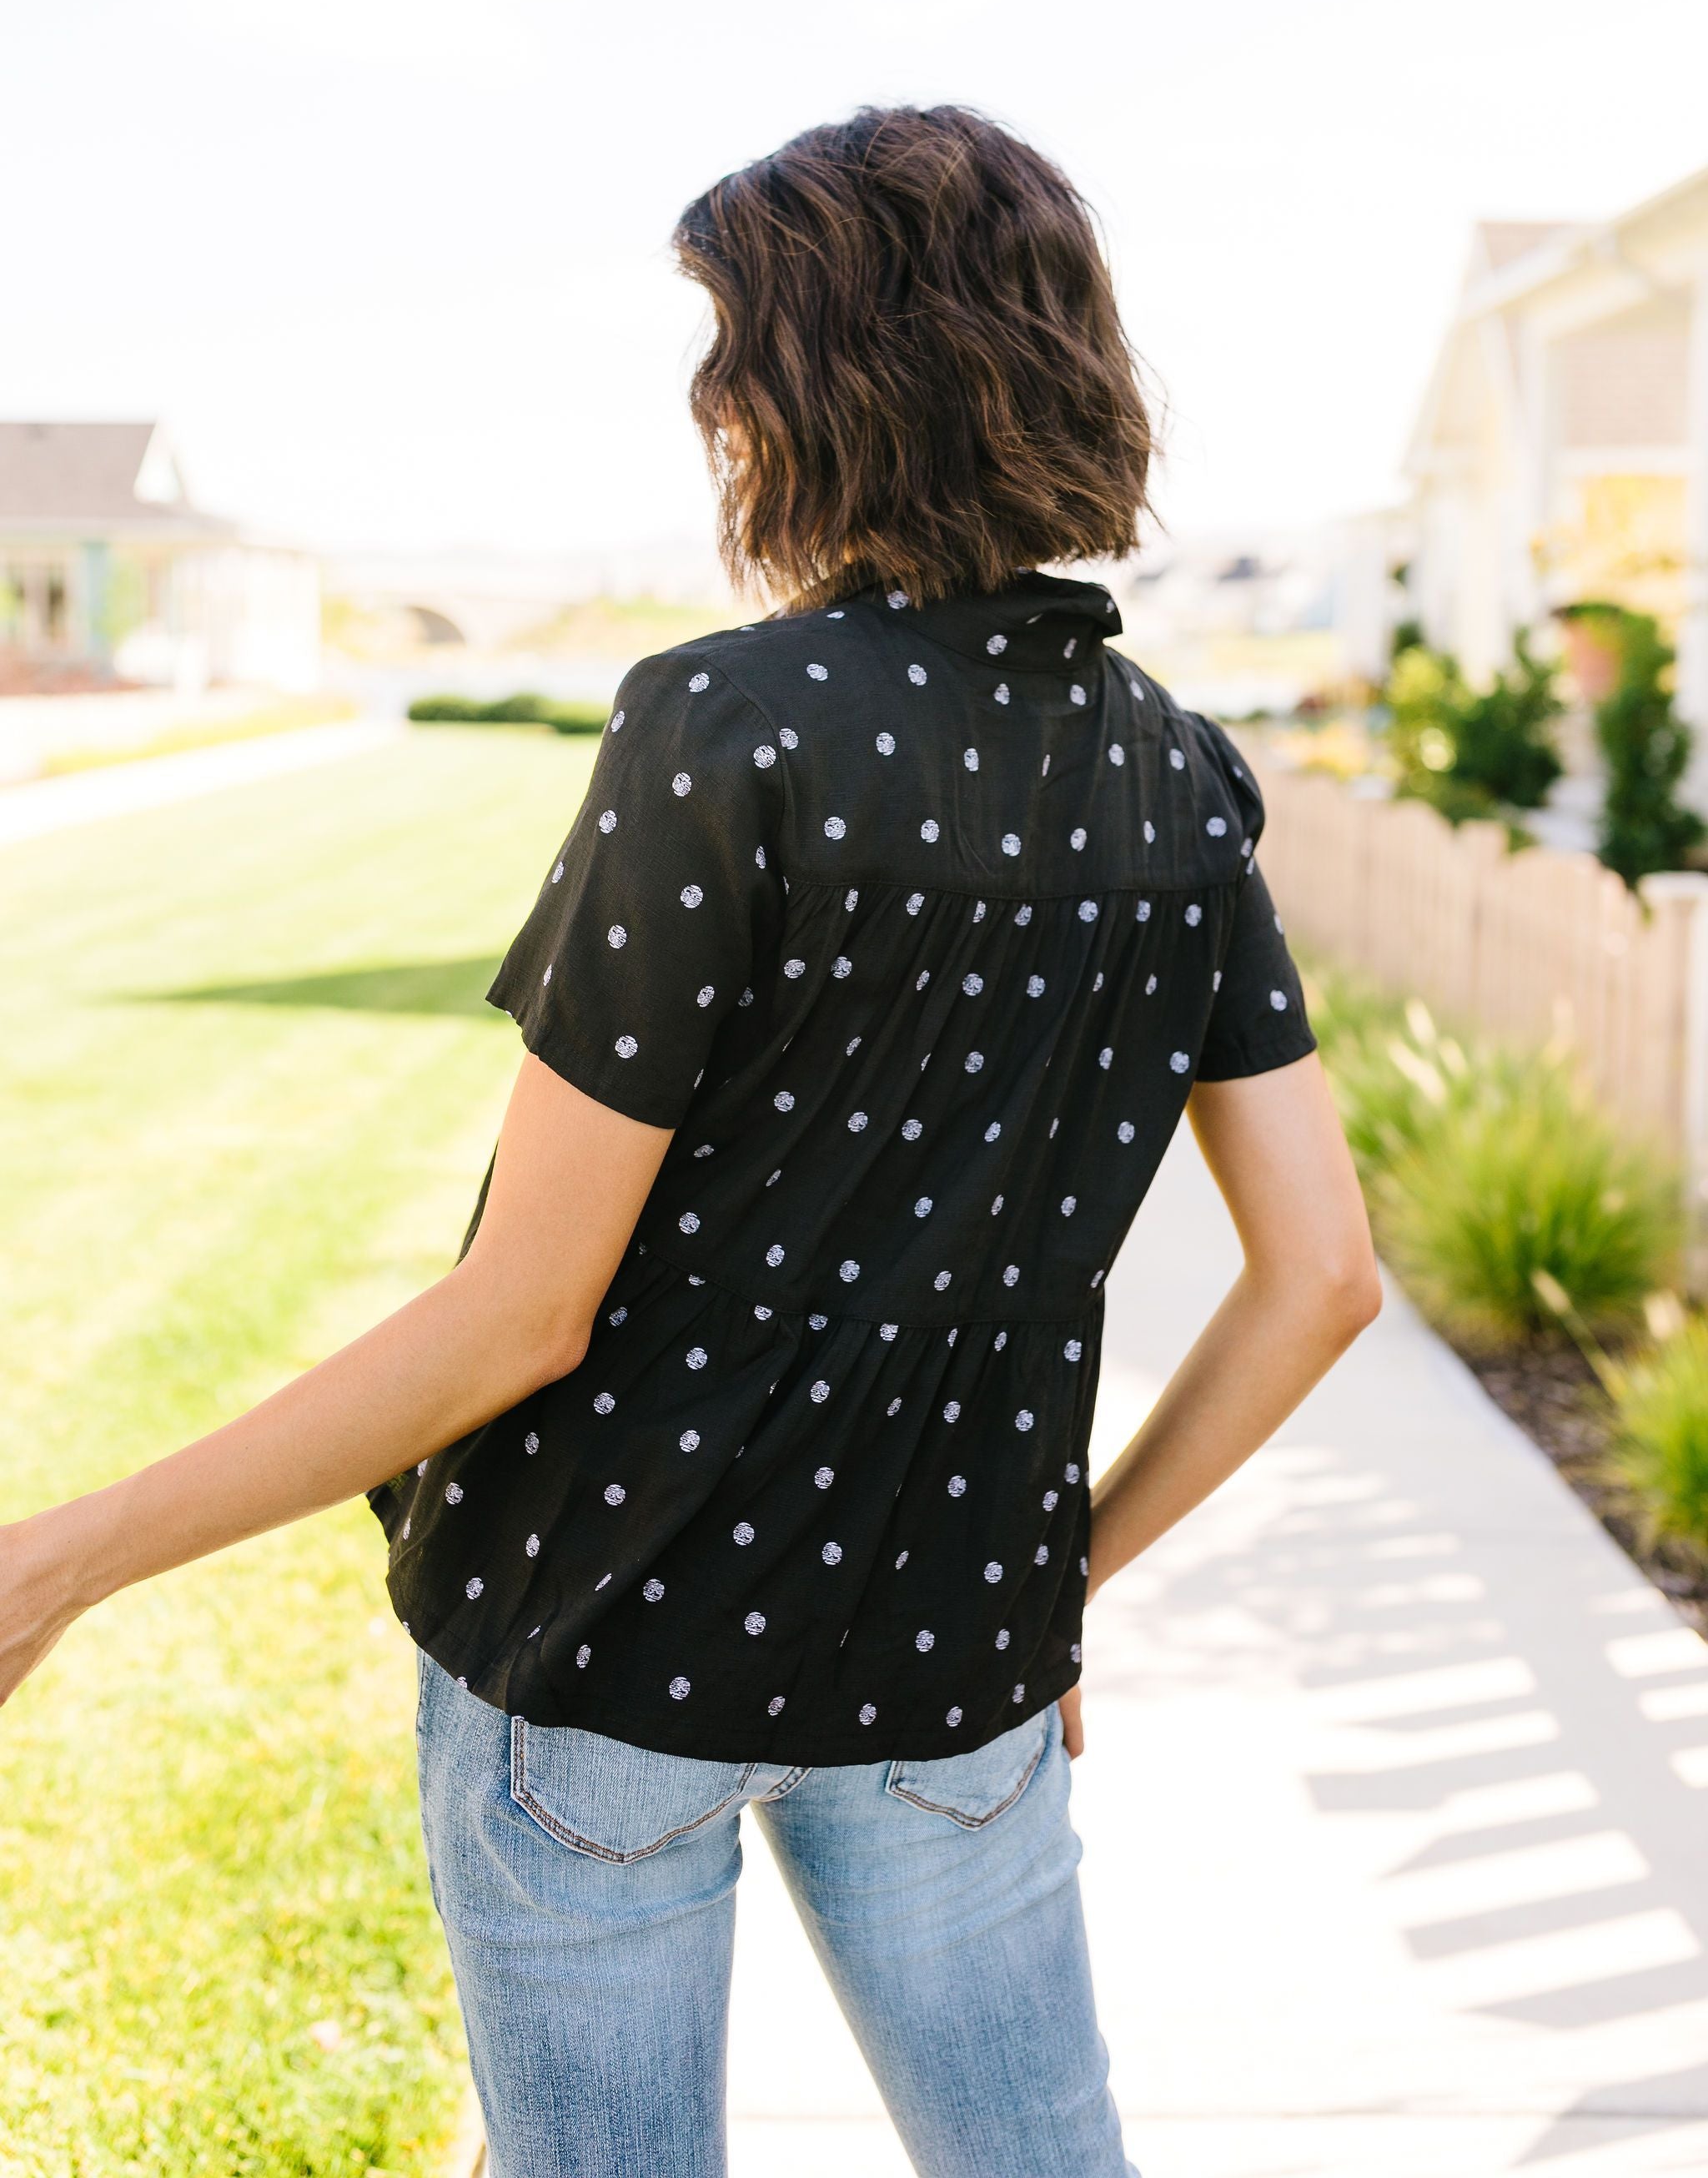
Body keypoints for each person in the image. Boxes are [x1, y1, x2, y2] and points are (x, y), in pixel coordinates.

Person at [0, 105, 1380, 2178]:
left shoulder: (726, 732)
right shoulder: (1177, 781)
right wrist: (1048, 1594)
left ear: (822, 385)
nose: (708, 394)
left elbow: (517, 1319)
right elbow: (1325, 1280)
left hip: (602, 1662)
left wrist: (64, 1560)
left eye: (732, 342)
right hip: (956, 1683)